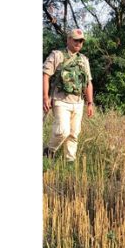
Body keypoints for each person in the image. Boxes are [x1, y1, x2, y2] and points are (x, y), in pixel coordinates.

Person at [43, 28, 95, 162]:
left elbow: (88, 82)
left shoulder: (83, 60)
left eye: (81, 41)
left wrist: (90, 103)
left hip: (78, 102)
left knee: (74, 134)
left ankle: (70, 161)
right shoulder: (57, 55)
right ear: (68, 40)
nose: (79, 43)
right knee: (62, 131)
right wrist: (45, 98)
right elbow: (45, 75)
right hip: (61, 100)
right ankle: (49, 151)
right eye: (76, 40)